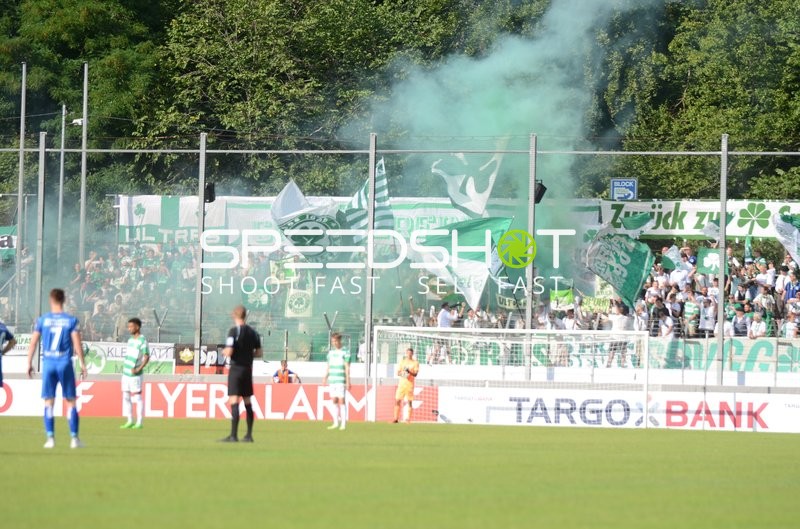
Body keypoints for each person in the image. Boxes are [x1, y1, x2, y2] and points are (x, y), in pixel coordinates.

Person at [26, 288, 87, 449]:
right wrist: (82, 364)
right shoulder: (71, 320)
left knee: (49, 401)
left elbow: (33, 343)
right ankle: (74, 439)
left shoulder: (43, 320)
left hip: (49, 364)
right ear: (64, 300)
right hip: (64, 363)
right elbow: (77, 343)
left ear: (50, 300)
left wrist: (29, 363)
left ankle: (50, 439)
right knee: (71, 401)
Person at [220, 305, 262, 443]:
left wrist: (224, 351)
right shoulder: (253, 333)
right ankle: (249, 435)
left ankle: (233, 435)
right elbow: (259, 353)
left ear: (234, 315)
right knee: (247, 401)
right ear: (245, 315)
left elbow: (229, 351)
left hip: (236, 369)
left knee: (234, 401)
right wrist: (247, 355)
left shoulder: (234, 331)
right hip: (247, 370)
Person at [120, 317, 149, 429]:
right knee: (126, 396)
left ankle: (139, 422)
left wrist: (138, 369)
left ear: (137, 327)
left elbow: (146, 357)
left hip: (135, 374)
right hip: (126, 373)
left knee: (137, 397)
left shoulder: (143, 340)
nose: (129, 329)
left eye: (131, 326)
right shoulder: (130, 340)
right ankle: (129, 420)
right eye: (128, 327)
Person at [323, 332, 350, 430]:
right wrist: (325, 377)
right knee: (334, 400)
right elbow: (328, 366)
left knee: (341, 401)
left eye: (335, 341)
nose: (334, 343)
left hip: (341, 380)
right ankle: (335, 422)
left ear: (339, 341)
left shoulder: (345, 352)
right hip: (332, 380)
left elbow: (347, 367)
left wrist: (348, 381)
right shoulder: (330, 353)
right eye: (333, 341)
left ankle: (343, 424)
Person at [393, 347, 419, 423]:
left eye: (410, 353)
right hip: (401, 384)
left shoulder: (415, 363)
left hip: (409, 385)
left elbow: (415, 374)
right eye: (408, 353)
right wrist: (404, 374)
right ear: (406, 353)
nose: (409, 354)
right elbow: (398, 373)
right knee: (397, 400)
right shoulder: (402, 362)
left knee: (409, 402)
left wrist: (409, 372)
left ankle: (408, 419)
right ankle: (396, 418)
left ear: (412, 354)